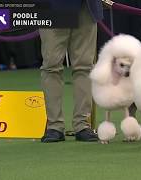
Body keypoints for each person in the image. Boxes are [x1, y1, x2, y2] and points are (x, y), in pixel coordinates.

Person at [40, 0, 103, 143]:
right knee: (52, 66)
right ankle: (54, 126)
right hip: (52, 7)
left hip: (86, 6)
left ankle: (82, 125)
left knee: (84, 67)